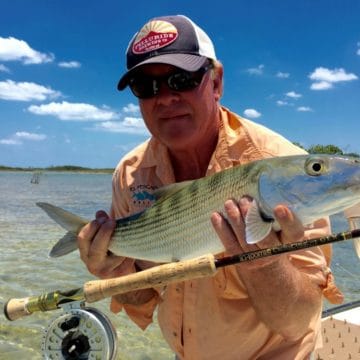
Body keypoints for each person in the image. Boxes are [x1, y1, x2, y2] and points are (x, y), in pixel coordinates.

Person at [78, 15, 343, 360]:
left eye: (182, 79)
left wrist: (264, 264)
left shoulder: (285, 168)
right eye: (146, 86)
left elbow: (297, 324)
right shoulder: (131, 174)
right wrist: (114, 272)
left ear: (216, 81)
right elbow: (144, 297)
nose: (165, 97)